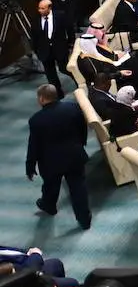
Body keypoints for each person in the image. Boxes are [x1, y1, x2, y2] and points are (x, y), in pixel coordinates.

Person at [26, 85, 91, 229]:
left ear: (42, 98)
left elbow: (34, 145)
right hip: (74, 155)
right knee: (78, 187)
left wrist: (30, 166)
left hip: (50, 161)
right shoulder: (73, 108)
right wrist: (81, 143)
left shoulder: (36, 120)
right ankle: (84, 220)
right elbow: (83, 127)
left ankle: (49, 206)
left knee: (50, 185)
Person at [30, 0, 69, 98]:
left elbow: (69, 30)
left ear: (50, 7)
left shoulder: (60, 15)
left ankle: (80, 83)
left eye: (42, 8)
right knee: (51, 75)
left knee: (65, 69)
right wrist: (36, 50)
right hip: (44, 51)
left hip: (60, 49)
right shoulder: (35, 19)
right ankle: (58, 93)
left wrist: (70, 43)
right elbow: (34, 36)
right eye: (39, 8)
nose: (40, 10)